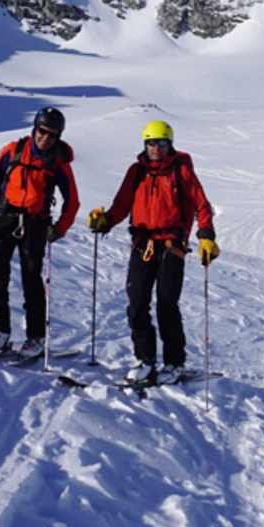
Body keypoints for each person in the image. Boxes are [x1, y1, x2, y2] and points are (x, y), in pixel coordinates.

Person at [87, 120, 218, 385]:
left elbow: (201, 205)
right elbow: (122, 204)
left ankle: (174, 362)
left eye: (160, 143)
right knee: (136, 303)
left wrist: (206, 237)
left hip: (172, 246)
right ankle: (144, 359)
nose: (155, 148)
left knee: (166, 305)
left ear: (169, 144)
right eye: (150, 143)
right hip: (142, 244)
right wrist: (106, 220)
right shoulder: (136, 172)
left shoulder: (181, 170)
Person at [0, 106, 79, 357]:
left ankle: (36, 336)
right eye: (42, 131)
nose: (46, 137)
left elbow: (72, 201)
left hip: (36, 222)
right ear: (35, 128)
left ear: (59, 136)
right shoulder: (14, 150)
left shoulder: (59, 163)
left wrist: (60, 228)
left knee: (32, 279)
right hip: (5, 216)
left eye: (52, 134)